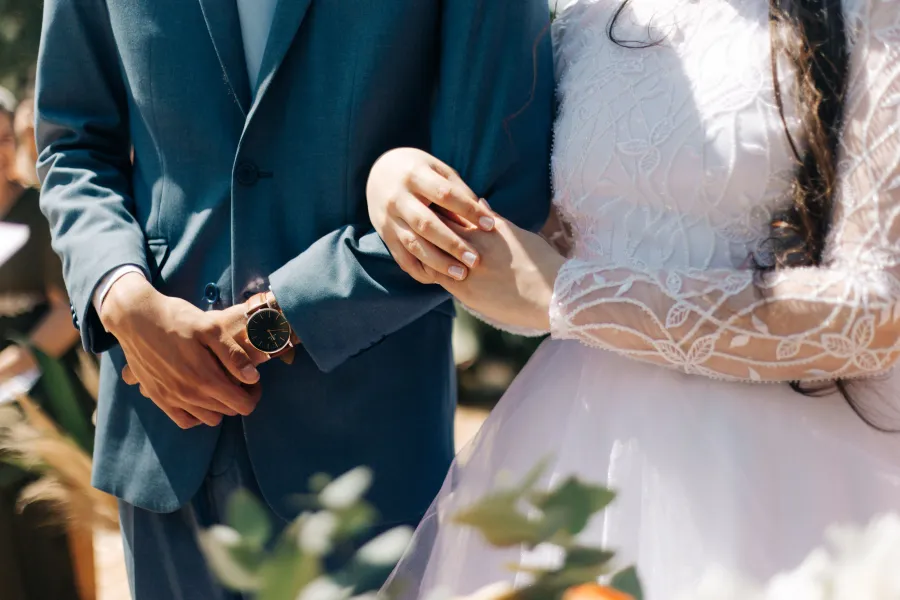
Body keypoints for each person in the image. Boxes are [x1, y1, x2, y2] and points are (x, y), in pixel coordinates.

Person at [368, 0, 900, 597]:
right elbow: (548, 239)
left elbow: (876, 310)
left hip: (784, 472)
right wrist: (396, 179)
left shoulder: (874, 14)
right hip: (579, 442)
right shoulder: (585, 15)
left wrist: (572, 296)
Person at [34, 0, 554, 597]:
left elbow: (490, 189)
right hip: (165, 439)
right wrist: (119, 294)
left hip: (365, 449)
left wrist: (285, 315)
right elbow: (73, 145)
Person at [0, 87, 83, 600]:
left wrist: (17, 360)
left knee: (42, 536)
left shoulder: (41, 211)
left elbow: (67, 310)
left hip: (36, 388)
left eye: (2, 138)